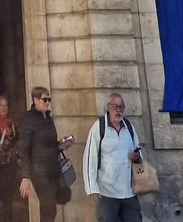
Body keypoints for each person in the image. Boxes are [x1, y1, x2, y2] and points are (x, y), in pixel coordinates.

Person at [83, 93, 143, 222]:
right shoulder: (99, 127)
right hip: (107, 192)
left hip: (129, 191)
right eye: (115, 106)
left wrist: (136, 158)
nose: (118, 110)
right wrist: (92, 188)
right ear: (108, 107)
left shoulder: (129, 127)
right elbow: (90, 157)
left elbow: (138, 153)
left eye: (121, 107)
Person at [19, 86, 70, 222]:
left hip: (52, 168)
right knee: (47, 202)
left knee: (51, 207)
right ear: (36, 100)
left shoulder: (49, 118)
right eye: (44, 99)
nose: (47, 102)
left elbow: (51, 143)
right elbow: (23, 148)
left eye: (49, 100)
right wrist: (25, 175)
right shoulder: (29, 119)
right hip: (38, 170)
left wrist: (61, 145)